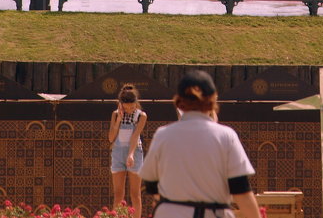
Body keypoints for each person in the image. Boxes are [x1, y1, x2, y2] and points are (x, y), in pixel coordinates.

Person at [140, 70, 262, 218]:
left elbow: (150, 182)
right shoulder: (226, 136)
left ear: (179, 101)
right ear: (213, 99)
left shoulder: (163, 135)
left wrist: (171, 203)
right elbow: (241, 190)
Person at [109, 84, 148, 217]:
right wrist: (119, 119)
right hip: (118, 154)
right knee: (118, 194)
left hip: (135, 153)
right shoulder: (115, 114)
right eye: (127, 107)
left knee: (135, 194)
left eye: (132, 106)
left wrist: (131, 155)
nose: (130, 109)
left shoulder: (141, 116)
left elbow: (135, 136)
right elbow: (111, 138)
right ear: (121, 104)